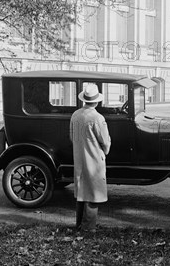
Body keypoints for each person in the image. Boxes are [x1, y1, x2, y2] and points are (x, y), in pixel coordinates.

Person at [69, 83, 111, 232]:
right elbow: (105, 141)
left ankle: (79, 224)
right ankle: (89, 227)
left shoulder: (75, 115)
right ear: (97, 101)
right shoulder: (97, 118)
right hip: (94, 159)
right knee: (94, 193)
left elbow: (72, 136)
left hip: (79, 157)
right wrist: (104, 151)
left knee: (81, 192)